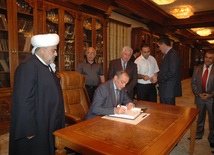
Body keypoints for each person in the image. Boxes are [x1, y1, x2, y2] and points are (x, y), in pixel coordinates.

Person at [9, 34, 65, 155]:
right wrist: (28, 129)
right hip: (36, 127)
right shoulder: (28, 66)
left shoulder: (46, 66)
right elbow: (23, 100)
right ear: (42, 50)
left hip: (47, 121)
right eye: (53, 50)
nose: (56, 54)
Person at [191, 51, 214, 147]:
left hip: (211, 99)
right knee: (200, 117)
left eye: (210, 58)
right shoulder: (197, 68)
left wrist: (211, 95)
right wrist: (198, 94)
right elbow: (193, 83)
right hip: (200, 97)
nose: (207, 59)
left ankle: (212, 139)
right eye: (206, 57)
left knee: (212, 119)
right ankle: (199, 134)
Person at [151, 36, 182, 105]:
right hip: (165, 88)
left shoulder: (172, 54)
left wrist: (158, 78)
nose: (159, 49)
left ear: (163, 45)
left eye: (159, 46)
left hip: (169, 89)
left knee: (168, 111)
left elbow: (172, 72)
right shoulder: (168, 54)